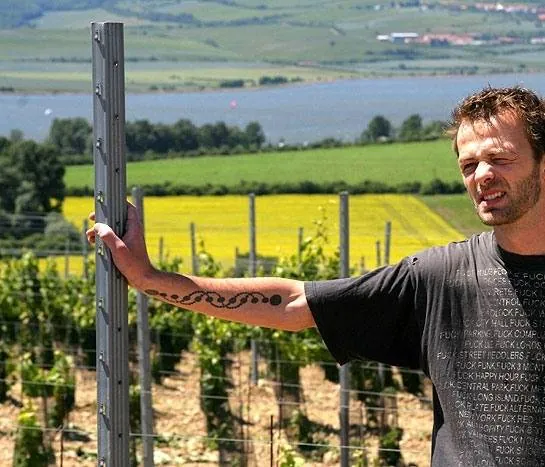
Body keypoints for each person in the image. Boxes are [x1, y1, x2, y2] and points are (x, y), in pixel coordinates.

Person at [87, 86, 545, 466]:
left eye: (499, 158)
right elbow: (292, 305)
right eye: (468, 165)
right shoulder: (441, 280)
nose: (482, 175)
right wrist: (150, 280)